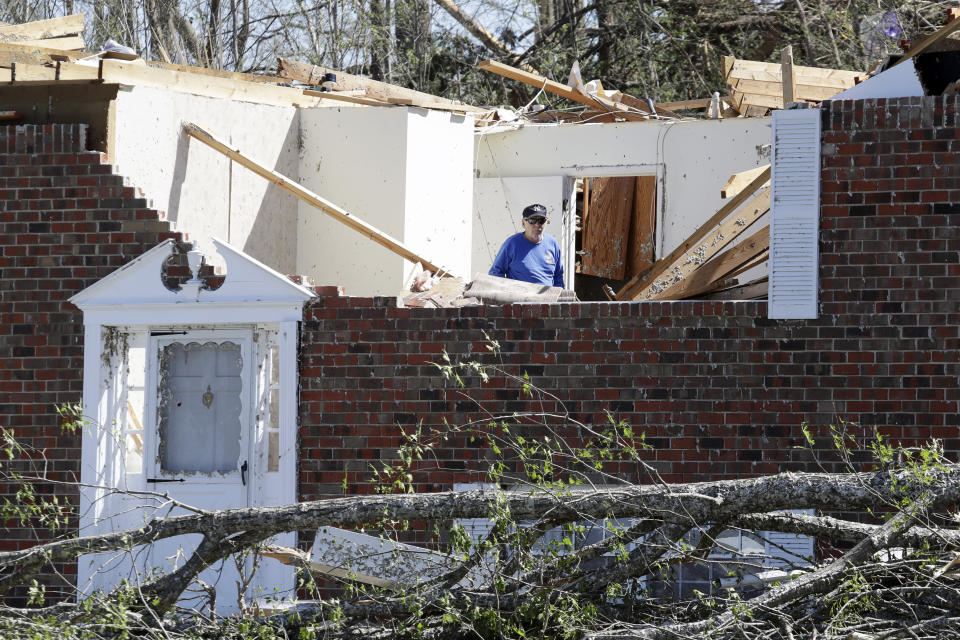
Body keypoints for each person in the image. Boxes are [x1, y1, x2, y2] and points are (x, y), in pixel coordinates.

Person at [488, 203, 564, 288]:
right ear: (523, 223)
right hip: (521, 299)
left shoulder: (552, 243)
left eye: (541, 221)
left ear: (546, 223)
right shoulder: (512, 244)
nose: (537, 225)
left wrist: (559, 296)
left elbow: (558, 277)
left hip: (548, 299)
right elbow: (495, 273)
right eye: (532, 220)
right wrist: (511, 291)